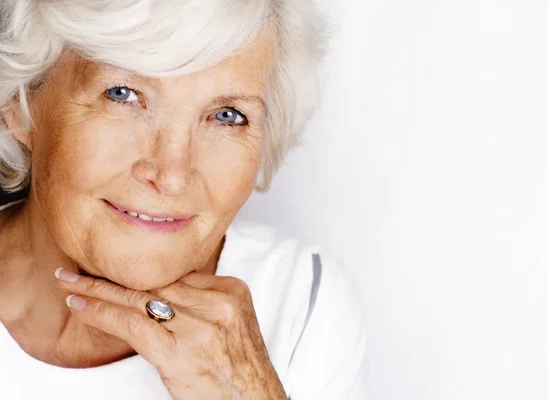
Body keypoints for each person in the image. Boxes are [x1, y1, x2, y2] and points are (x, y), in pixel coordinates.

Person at [0, 0, 369, 399]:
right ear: (19, 104)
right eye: (123, 94)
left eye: (227, 116)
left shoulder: (301, 300)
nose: (172, 175)